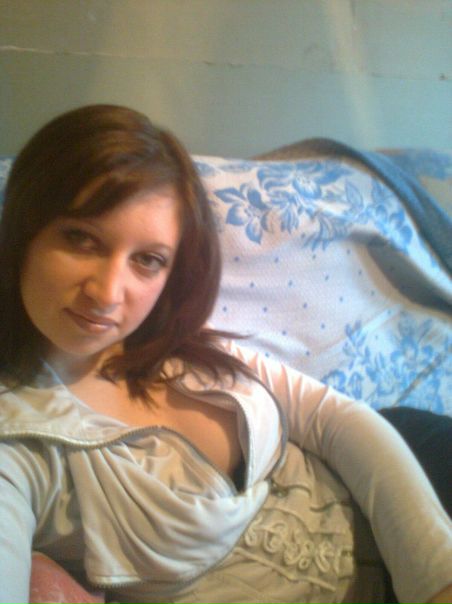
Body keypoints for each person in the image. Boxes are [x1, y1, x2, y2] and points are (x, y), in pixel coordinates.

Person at [0, 104, 450, 604]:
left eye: (147, 260)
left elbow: (332, 418)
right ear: (24, 231)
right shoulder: (17, 448)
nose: (107, 293)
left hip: (410, 473)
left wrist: (435, 575)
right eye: (81, 239)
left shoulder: (179, 347)